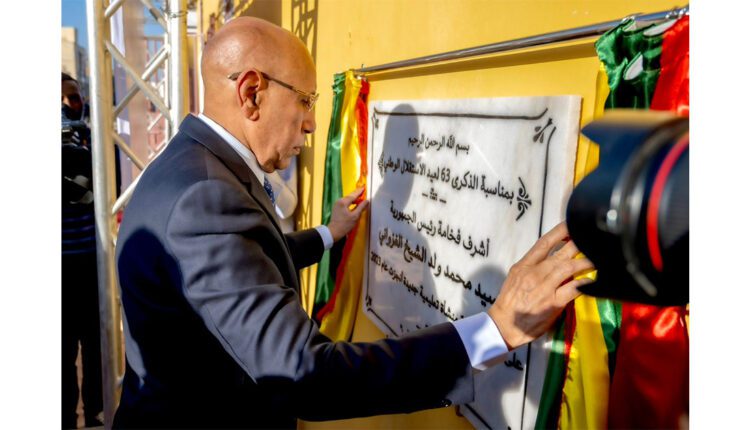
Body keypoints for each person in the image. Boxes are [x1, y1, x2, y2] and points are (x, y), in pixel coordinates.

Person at [113, 17, 594, 429]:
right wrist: (495, 329)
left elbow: (247, 260)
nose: (311, 123)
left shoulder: (191, 167)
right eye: (305, 100)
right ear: (252, 93)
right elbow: (305, 374)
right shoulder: (206, 196)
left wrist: (328, 234)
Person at [61, 72, 104, 428]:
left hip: (92, 261)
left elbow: (106, 183)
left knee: (95, 345)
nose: (68, 106)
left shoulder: (95, 141)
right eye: (61, 100)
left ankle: (95, 414)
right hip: (59, 269)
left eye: (73, 97)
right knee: (60, 352)